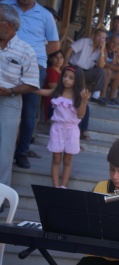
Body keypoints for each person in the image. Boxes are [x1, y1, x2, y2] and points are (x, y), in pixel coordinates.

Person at [2, 0, 59, 169]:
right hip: (6, 61)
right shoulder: (5, 6)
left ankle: (21, 152)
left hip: (35, 67)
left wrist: (32, 54)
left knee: (28, 112)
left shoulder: (45, 15)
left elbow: (54, 44)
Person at [0, 4, 39, 187]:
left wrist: (11, 91)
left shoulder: (26, 50)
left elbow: (32, 83)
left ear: (7, 25)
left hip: (9, 101)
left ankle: (1, 195)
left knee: (4, 151)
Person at [35, 66, 90, 188]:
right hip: (57, 129)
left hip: (72, 130)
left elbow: (80, 115)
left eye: (71, 78)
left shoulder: (79, 96)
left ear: (77, 80)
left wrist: (84, 101)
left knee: (67, 160)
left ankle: (63, 186)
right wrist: (30, 89)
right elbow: (44, 92)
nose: (66, 79)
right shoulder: (58, 92)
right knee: (56, 158)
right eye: (65, 76)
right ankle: (56, 186)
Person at [65, 27, 109, 106]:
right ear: (94, 35)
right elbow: (70, 50)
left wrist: (102, 51)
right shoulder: (84, 41)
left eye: (103, 38)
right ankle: (80, 97)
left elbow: (101, 66)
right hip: (74, 68)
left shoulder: (101, 50)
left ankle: (96, 96)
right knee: (79, 71)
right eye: (99, 36)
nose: (100, 39)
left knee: (102, 71)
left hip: (87, 71)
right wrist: (65, 63)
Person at [43, 49, 63, 120]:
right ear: (50, 59)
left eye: (61, 57)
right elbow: (54, 87)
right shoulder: (51, 70)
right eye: (56, 57)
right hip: (52, 101)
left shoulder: (63, 72)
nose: (59, 60)